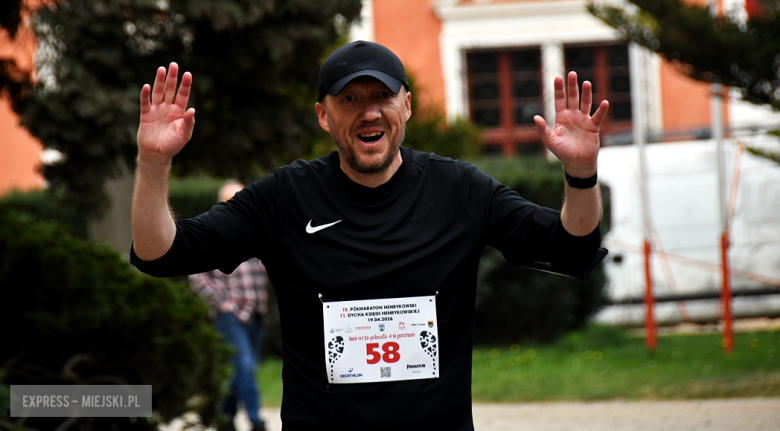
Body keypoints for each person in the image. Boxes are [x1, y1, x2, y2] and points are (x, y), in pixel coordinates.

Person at [131, 41, 608, 430]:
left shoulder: (458, 189)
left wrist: (581, 174)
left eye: (382, 96)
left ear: (407, 105)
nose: (369, 112)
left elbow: (571, 247)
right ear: (323, 115)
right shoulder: (284, 197)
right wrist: (154, 163)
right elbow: (161, 253)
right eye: (350, 99)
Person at [188, 181, 269, 431]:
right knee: (244, 365)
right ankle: (256, 421)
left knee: (243, 370)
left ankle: (225, 418)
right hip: (230, 315)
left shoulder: (258, 231)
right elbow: (196, 276)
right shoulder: (214, 233)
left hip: (256, 314)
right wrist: (223, 304)